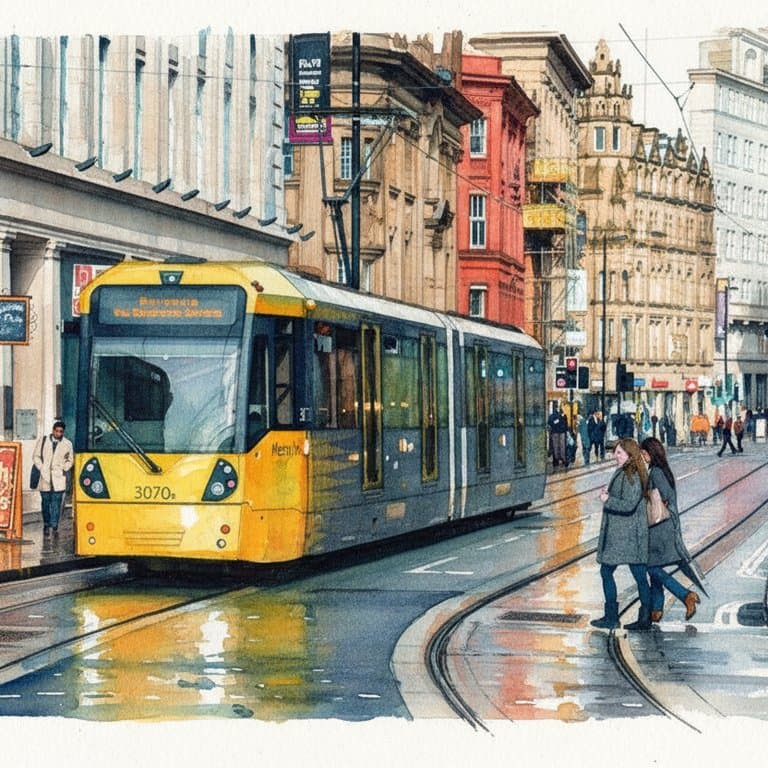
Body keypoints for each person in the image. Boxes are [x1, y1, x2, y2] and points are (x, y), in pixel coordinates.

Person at [590, 438, 652, 631]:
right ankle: (644, 616)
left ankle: (613, 617)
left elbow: (629, 504)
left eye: (619, 453)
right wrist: (609, 495)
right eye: (615, 452)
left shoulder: (630, 474)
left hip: (625, 535)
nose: (615, 456)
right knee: (638, 574)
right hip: (626, 534)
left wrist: (607, 499)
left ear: (629, 455)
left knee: (609, 572)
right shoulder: (627, 472)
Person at [640, 437, 700, 623]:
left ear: (651, 453)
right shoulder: (661, 470)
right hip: (663, 526)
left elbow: (664, 497)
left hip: (661, 527)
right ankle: (656, 609)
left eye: (644, 453)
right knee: (654, 565)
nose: (643, 457)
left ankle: (685, 595)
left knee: (652, 566)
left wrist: (646, 500)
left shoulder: (656, 472)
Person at [32, 419, 74, 535]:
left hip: (58, 477)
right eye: (57, 431)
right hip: (45, 477)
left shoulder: (67, 444)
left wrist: (64, 468)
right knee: (45, 503)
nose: (58, 433)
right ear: (53, 430)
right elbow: (36, 456)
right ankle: (46, 524)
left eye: (61, 432)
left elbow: (70, 459)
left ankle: (54, 525)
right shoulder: (43, 440)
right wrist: (41, 467)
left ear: (63, 432)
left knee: (56, 503)